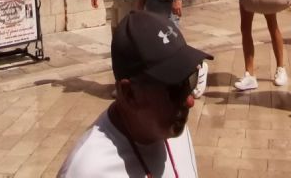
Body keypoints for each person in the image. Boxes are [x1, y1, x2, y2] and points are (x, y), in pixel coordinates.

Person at [58, 10, 210, 178]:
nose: (189, 101)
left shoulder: (175, 129)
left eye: (189, 80)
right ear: (129, 93)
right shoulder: (88, 171)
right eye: (174, 88)